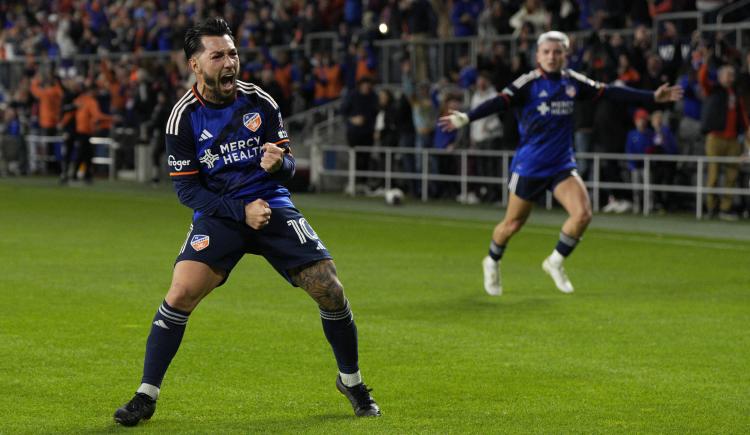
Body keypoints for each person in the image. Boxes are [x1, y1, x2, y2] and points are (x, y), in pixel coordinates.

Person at [113, 18, 380, 427]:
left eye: (233, 53)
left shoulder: (261, 102)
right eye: (217, 55)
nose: (229, 62)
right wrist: (240, 212)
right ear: (195, 65)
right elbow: (187, 192)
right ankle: (146, 395)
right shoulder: (182, 119)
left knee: (329, 286)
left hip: (272, 204)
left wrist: (280, 165)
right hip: (220, 212)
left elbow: (287, 166)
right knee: (181, 292)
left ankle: (353, 382)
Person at [438, 31, 683, 296]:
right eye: (546, 52)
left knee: (583, 214)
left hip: (561, 164)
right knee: (512, 225)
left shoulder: (573, 82)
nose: (552, 57)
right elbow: (499, 102)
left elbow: (610, 92)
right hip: (529, 165)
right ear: (538, 55)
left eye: (557, 52)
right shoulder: (528, 82)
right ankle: (492, 260)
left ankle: (554, 261)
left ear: (565, 55)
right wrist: (467, 117)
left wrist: (651, 97)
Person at [699, 55, 750, 221]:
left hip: (733, 139)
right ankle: (711, 208)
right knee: (713, 175)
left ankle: (725, 209)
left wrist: (746, 129)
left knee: (731, 176)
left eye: (732, 75)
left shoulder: (736, 93)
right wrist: (706, 64)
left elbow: (742, 113)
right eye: (728, 75)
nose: (731, 78)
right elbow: (702, 79)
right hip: (715, 137)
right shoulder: (713, 90)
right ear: (720, 77)